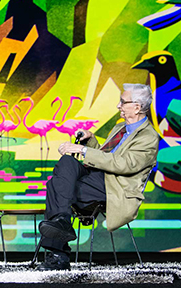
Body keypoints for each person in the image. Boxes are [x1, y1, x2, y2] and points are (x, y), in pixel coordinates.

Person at [37, 83, 159, 270]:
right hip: (97, 178)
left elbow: (123, 164)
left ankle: (58, 254)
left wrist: (83, 149)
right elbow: (106, 156)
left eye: (123, 102)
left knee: (56, 186)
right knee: (67, 163)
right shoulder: (120, 128)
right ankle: (62, 220)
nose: (118, 106)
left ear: (137, 107)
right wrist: (90, 141)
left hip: (115, 187)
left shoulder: (148, 137)